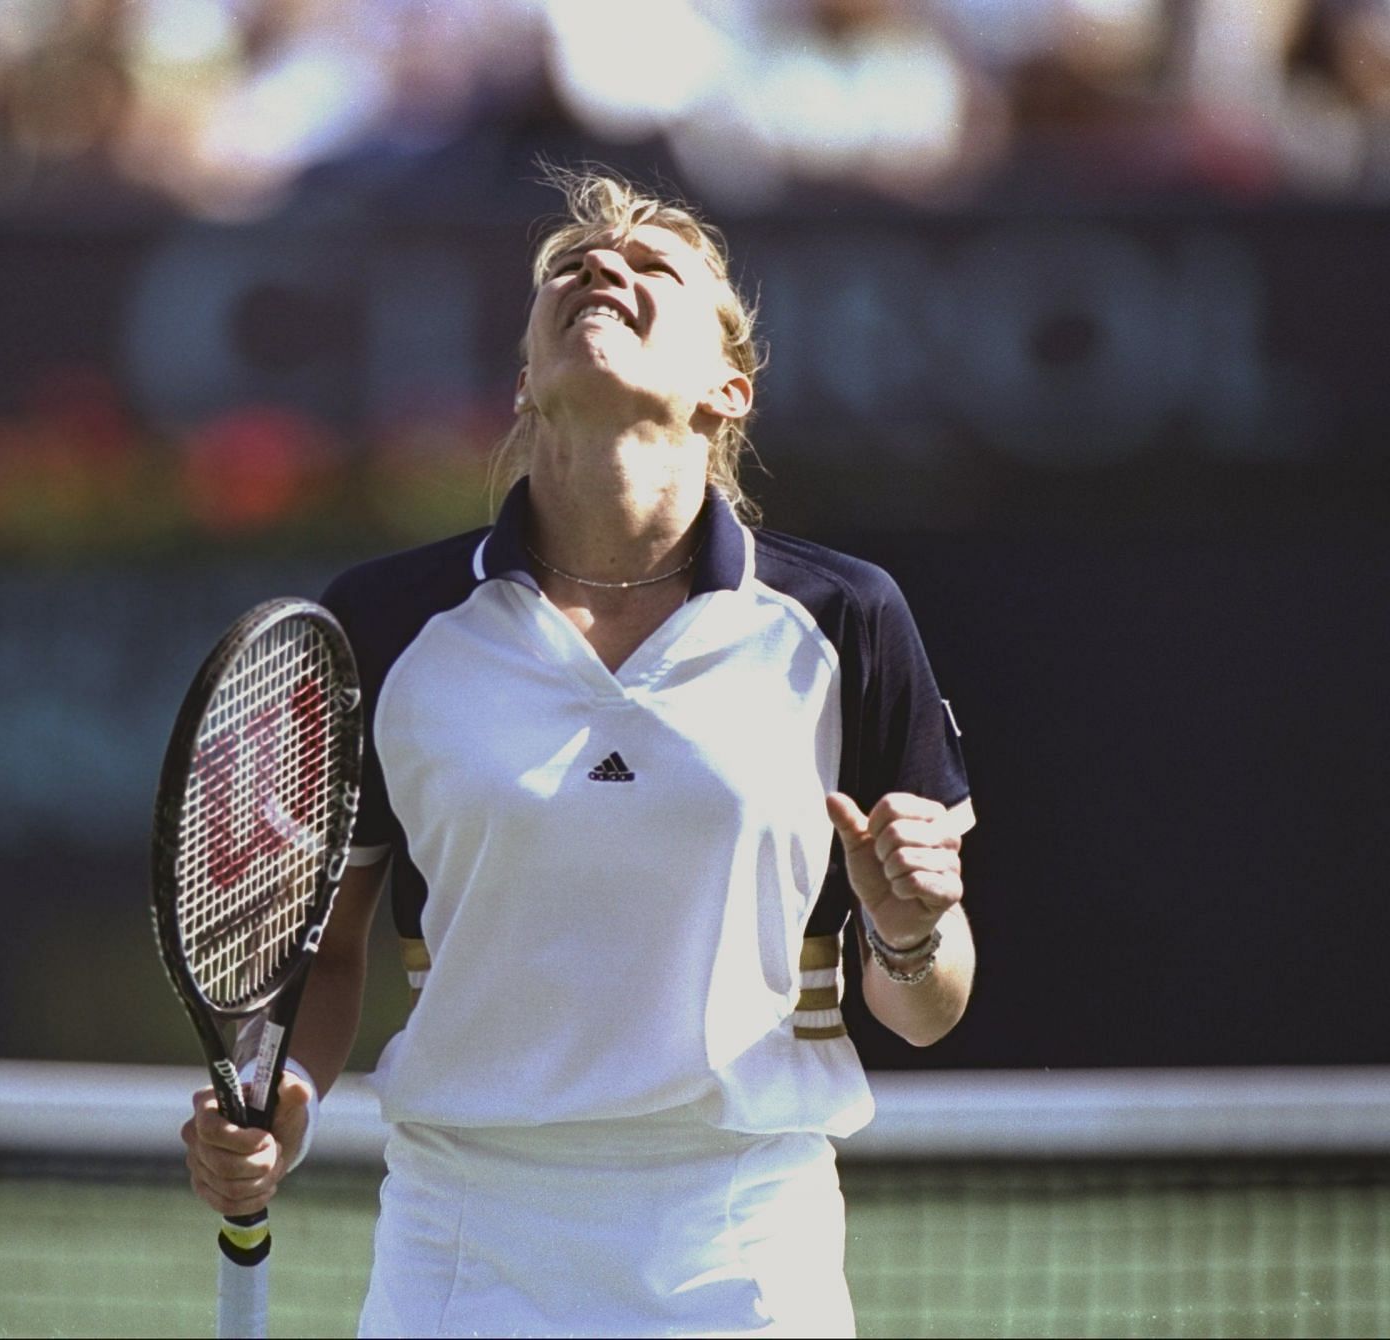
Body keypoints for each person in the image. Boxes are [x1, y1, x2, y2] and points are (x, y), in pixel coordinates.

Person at [182, 168, 976, 1337]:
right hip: (465, 1243)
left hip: (748, 1244)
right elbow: (332, 947)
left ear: (728, 389)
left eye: (653, 268)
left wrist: (908, 927)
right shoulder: (388, 621)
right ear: (524, 386)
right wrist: (284, 1088)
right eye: (572, 267)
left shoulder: (846, 619)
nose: (601, 270)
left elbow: (927, 1006)